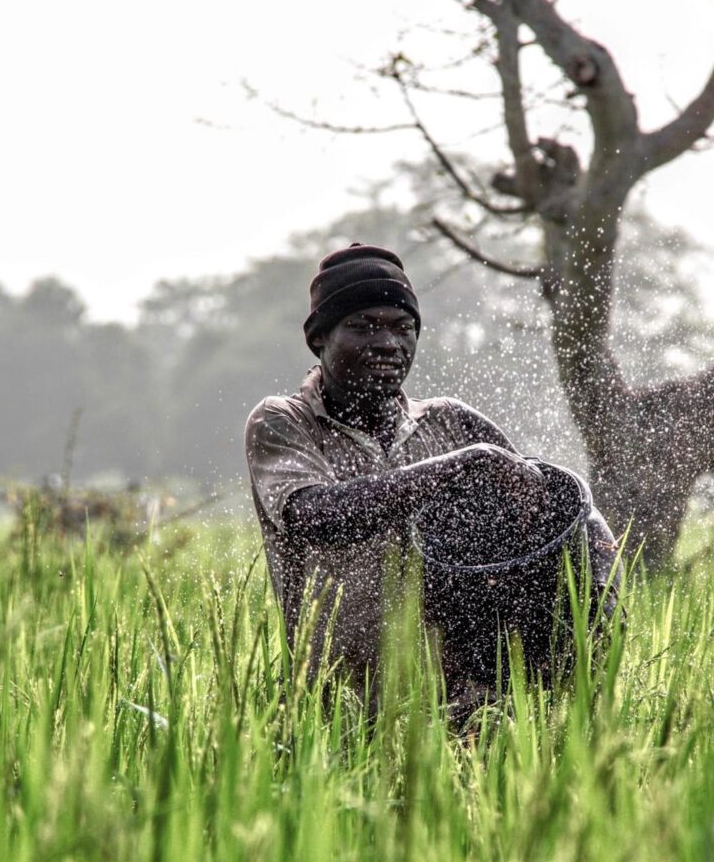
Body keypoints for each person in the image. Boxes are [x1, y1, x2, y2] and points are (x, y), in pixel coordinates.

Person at [244, 243, 617, 706]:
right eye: (363, 326)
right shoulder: (286, 421)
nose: (387, 343)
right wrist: (461, 465)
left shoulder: (452, 424)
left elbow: (556, 518)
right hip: (339, 705)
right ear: (318, 338)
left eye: (403, 328)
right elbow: (314, 516)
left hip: (465, 704)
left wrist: (599, 599)